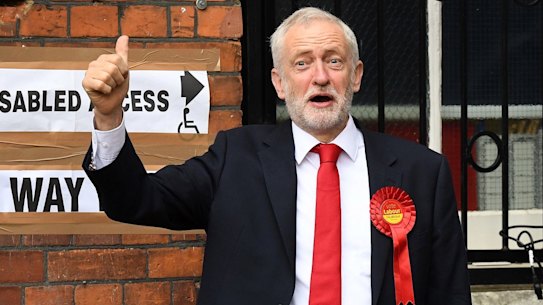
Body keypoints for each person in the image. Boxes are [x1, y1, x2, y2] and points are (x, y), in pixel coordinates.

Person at [82, 7, 472, 305]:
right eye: (301, 63)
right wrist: (108, 115)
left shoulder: (423, 172)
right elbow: (135, 201)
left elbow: (450, 290)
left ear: (355, 75)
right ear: (279, 83)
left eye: (334, 60)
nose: (320, 76)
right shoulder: (235, 158)